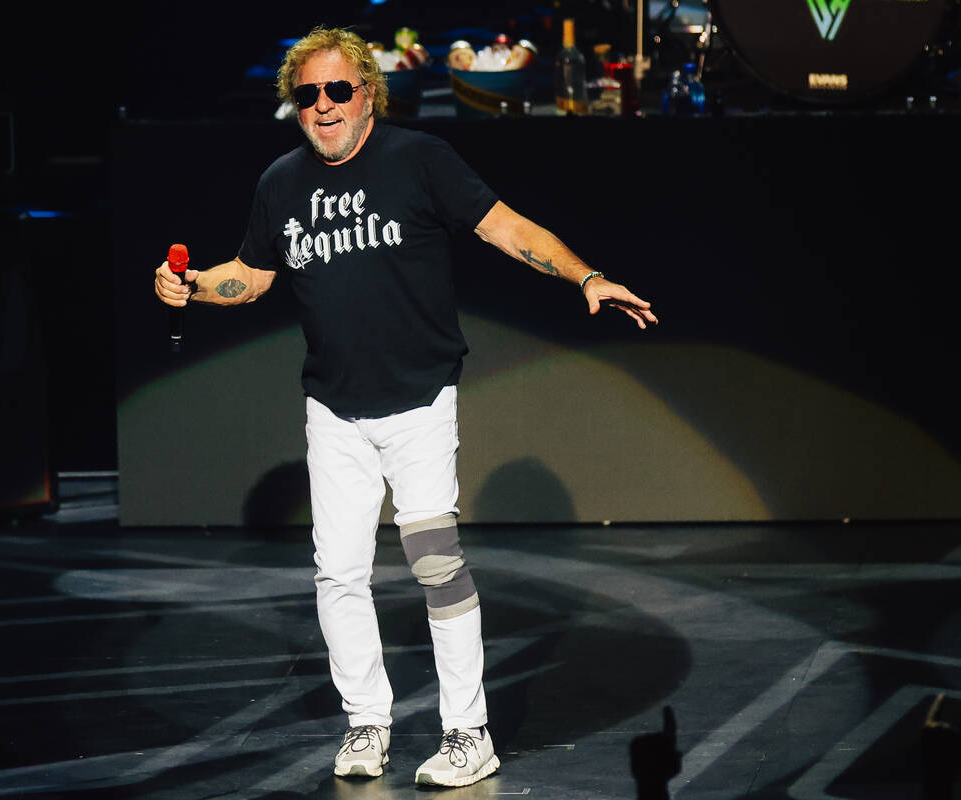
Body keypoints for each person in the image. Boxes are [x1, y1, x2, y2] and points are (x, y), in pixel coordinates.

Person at [154, 26, 658, 788]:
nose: (323, 107)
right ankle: (367, 723)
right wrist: (191, 285)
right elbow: (252, 277)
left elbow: (506, 228)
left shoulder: (419, 160)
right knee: (338, 574)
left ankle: (468, 734)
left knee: (436, 563)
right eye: (307, 95)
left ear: (368, 94)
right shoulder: (280, 183)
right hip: (334, 411)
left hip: (419, 401)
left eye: (338, 90)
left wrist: (584, 276)